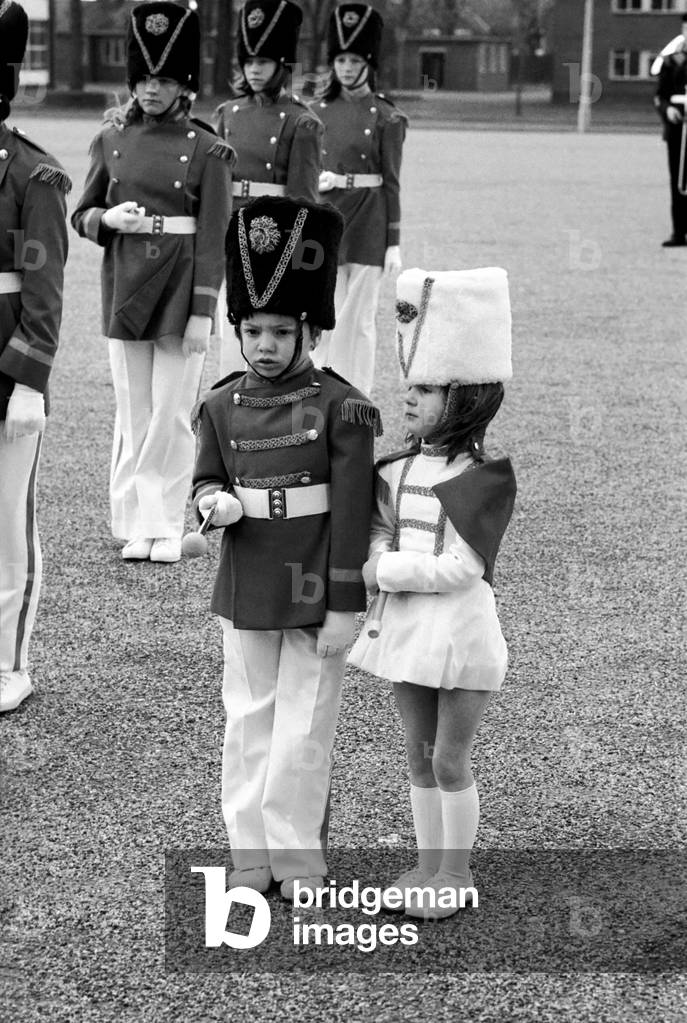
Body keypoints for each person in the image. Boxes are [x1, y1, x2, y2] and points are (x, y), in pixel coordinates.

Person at [191, 195, 381, 901]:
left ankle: (298, 853)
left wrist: (344, 600)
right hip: (246, 582)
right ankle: (249, 852)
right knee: (247, 720)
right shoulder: (216, 404)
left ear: (308, 328)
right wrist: (211, 502)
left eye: (278, 330)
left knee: (303, 725)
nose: (263, 344)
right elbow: (206, 476)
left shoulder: (344, 407)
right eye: (251, 330)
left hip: (313, 584)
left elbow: (355, 510)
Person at [348, 267, 517, 920]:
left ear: (466, 396)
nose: (409, 399)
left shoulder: (485, 476)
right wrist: (375, 559)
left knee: (450, 757)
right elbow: (376, 531)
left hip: (460, 632)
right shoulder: (394, 467)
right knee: (416, 754)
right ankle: (425, 865)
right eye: (409, 385)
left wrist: (383, 570)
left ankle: (454, 871)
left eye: (425, 388)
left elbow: (461, 568)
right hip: (408, 630)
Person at [71, 1, 235, 563]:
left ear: (184, 86)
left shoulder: (209, 148)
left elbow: (214, 236)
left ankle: (166, 522)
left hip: (182, 284)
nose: (150, 90)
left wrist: (203, 311)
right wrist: (105, 221)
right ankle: (133, 521)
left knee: (171, 411)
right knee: (132, 409)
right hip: (125, 280)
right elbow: (82, 212)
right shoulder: (109, 140)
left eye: (163, 80)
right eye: (143, 79)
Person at [0, 1, 70, 713]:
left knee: (7, 525)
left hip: (4, 370)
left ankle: (8, 663)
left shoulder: (33, 175)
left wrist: (29, 381)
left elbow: (44, 292)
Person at [213, 0, 323, 377]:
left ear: (281, 65)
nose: (254, 70)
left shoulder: (300, 121)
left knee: (270, 323)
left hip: (274, 233)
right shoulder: (227, 113)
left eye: (263, 62)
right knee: (233, 322)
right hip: (231, 227)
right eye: (249, 62)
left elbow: (304, 200)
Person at [312, 3, 407, 396]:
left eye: (354, 60)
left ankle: (356, 395)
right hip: (326, 217)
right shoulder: (316, 111)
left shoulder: (387, 117)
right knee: (323, 310)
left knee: (359, 319)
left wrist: (394, 239)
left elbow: (392, 182)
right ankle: (320, 388)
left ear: (368, 63)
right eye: (340, 60)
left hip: (369, 221)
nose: (346, 68)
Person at [654, 15, 687, 247]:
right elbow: (660, 96)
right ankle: (679, 232)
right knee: (678, 180)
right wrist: (668, 111)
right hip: (678, 129)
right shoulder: (671, 60)